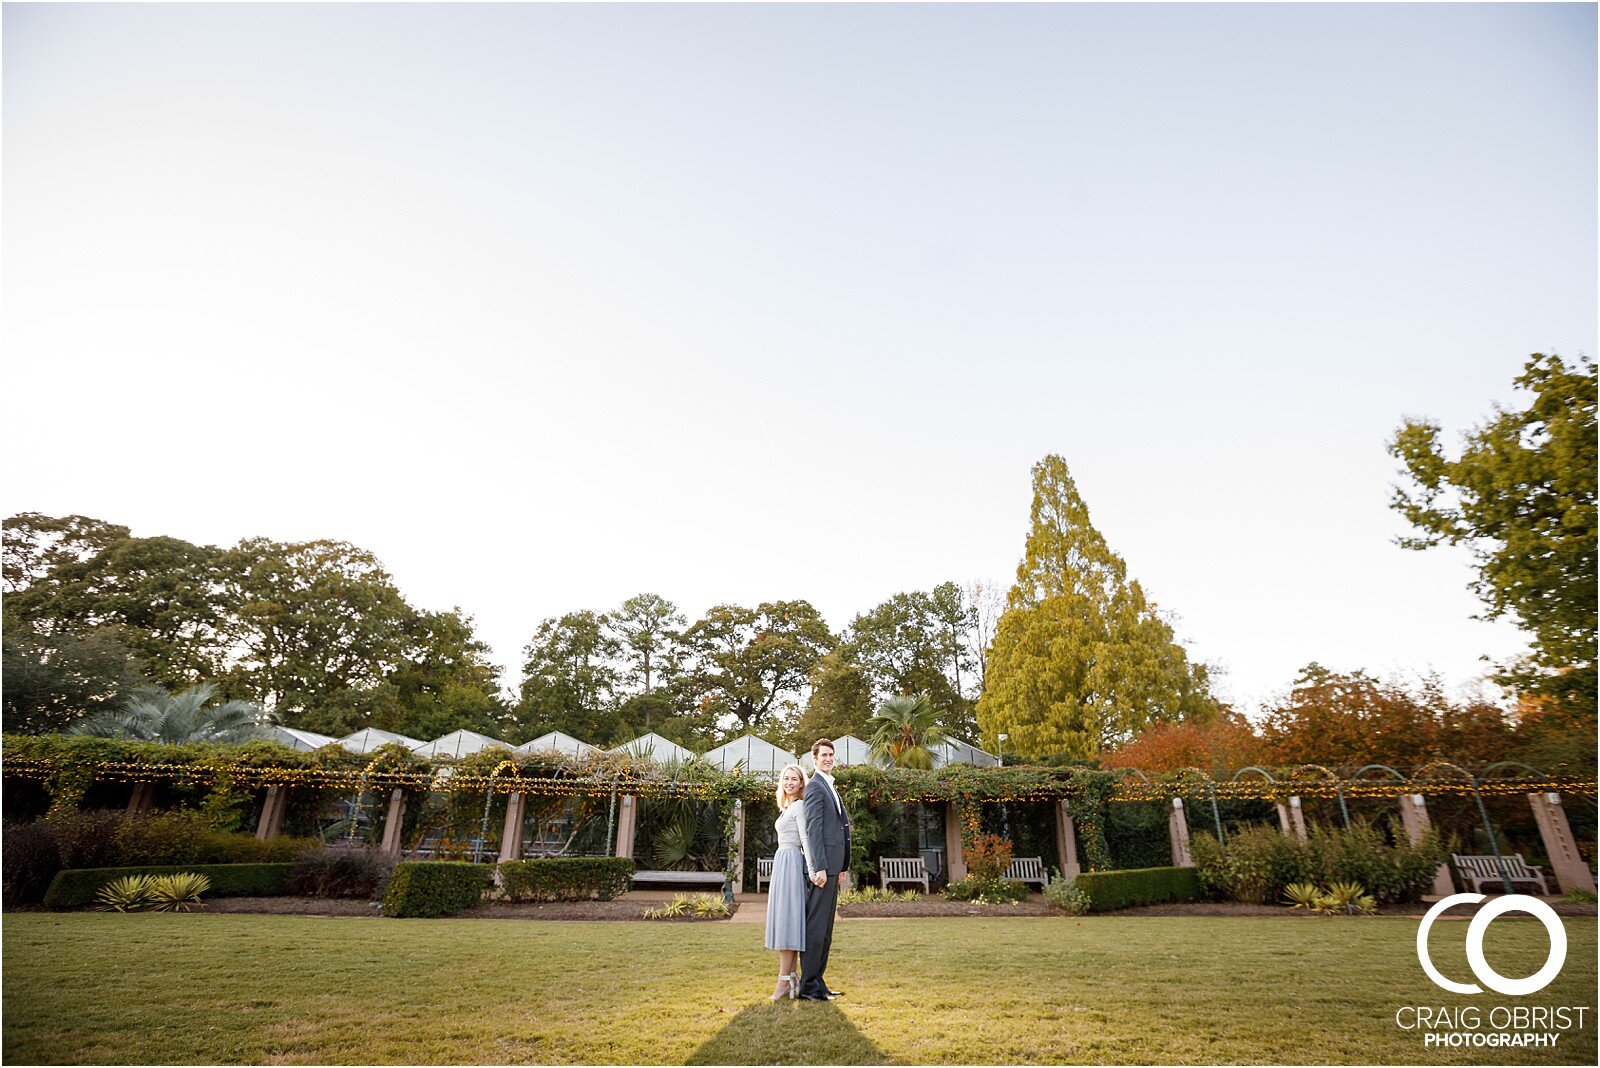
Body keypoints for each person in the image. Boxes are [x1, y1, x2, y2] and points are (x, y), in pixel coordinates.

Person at [798, 737, 851, 1001]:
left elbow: (840, 829)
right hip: (822, 870)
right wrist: (818, 866)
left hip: (833, 868)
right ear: (814, 759)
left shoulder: (830, 785)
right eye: (824, 755)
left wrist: (842, 866)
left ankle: (818, 983)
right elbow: (813, 830)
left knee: (826, 931)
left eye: (831, 754)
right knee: (816, 928)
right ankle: (807, 987)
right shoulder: (816, 787)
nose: (828, 758)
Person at [764, 763, 815, 1000]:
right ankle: (791, 977)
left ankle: (783, 981)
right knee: (787, 919)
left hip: (793, 862)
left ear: (801, 783)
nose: (789, 783)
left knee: (788, 920)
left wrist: (813, 869)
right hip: (782, 862)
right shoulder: (786, 808)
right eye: (786, 779)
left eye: (794, 779)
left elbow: (806, 838)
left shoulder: (799, 806)